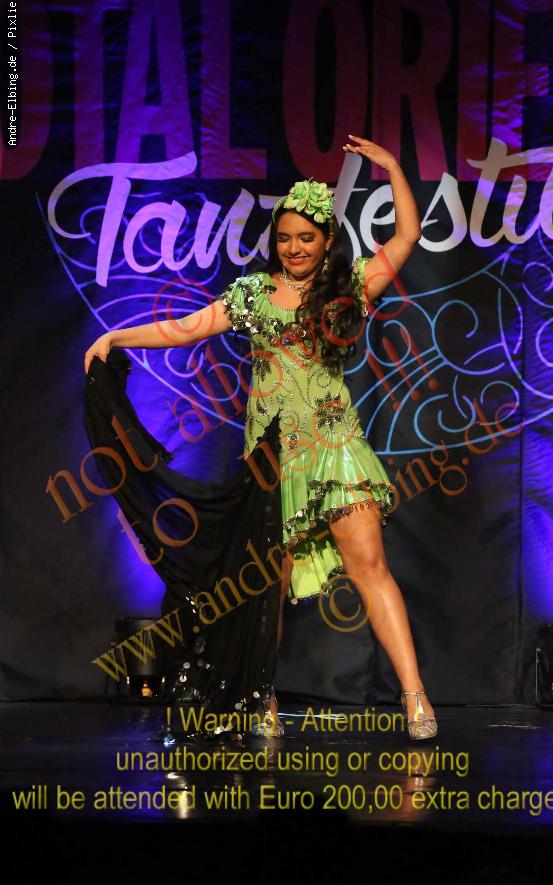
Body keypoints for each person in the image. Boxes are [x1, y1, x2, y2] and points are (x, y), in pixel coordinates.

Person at [84, 134, 437, 741]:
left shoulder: (347, 289)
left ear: (327, 241)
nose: (294, 248)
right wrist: (118, 337)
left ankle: (415, 698)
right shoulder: (251, 295)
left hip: (336, 450)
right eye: (285, 237)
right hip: (272, 463)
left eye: (307, 238)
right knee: (264, 591)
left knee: (371, 568)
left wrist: (391, 166)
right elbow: (186, 328)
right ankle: (261, 699)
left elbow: (406, 236)